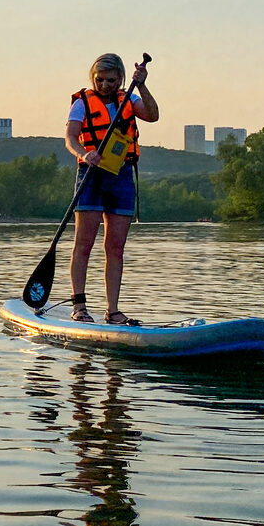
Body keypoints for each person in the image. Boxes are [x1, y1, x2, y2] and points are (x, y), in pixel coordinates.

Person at [65, 53, 158, 324]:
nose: (104, 84)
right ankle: (79, 306)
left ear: (121, 79)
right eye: (100, 79)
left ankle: (113, 310)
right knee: (84, 243)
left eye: (111, 80)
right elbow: (70, 138)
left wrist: (141, 84)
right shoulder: (81, 103)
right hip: (91, 174)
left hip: (121, 175)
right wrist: (84, 154)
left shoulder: (129, 98)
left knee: (115, 247)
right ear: (93, 78)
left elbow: (152, 116)